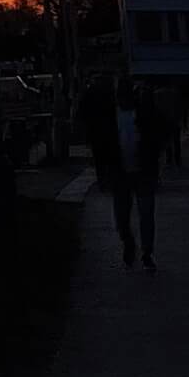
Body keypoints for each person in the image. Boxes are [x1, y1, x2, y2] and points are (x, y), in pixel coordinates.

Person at [79, 65, 135, 262]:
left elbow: (83, 117)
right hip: (132, 161)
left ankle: (125, 234)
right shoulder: (127, 109)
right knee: (139, 204)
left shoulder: (95, 99)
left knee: (121, 202)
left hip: (113, 156)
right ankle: (142, 247)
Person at [120, 77, 165, 268]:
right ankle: (130, 242)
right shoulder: (116, 115)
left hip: (142, 169)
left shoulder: (146, 115)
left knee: (145, 213)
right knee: (125, 214)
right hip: (123, 171)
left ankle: (146, 251)